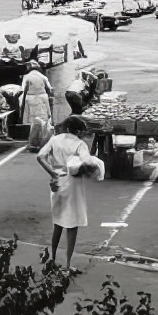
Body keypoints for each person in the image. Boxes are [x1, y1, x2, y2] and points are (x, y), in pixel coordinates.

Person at [36, 115, 104, 273]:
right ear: (79, 131)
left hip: (57, 181)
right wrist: (94, 167)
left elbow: (40, 156)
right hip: (73, 184)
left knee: (58, 224)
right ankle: (67, 264)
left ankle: (52, 259)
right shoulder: (80, 144)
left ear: (66, 127)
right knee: (72, 225)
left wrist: (52, 173)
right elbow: (87, 162)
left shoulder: (55, 139)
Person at [21, 61, 54, 151]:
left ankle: (33, 143)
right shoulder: (43, 77)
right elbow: (50, 89)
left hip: (31, 99)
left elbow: (23, 89)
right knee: (44, 121)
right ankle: (42, 142)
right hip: (42, 98)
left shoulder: (27, 77)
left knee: (34, 122)